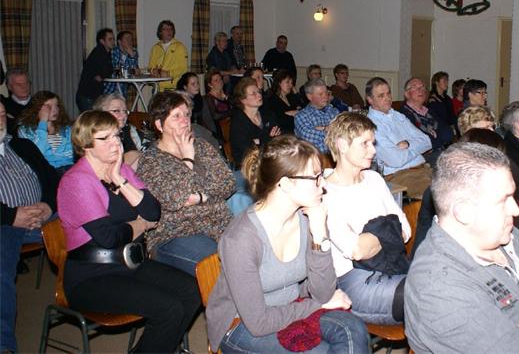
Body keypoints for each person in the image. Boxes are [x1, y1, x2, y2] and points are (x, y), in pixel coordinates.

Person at [404, 141, 519, 353]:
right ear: (464, 212)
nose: (515, 210)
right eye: (503, 200)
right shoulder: (439, 290)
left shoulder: (504, 236)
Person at [205, 135, 369, 353]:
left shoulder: (309, 218)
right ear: (284, 184)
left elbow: (323, 293)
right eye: (315, 177)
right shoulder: (240, 239)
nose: (323, 184)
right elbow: (258, 323)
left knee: (353, 330)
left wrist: (320, 235)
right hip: (240, 325)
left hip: (292, 307)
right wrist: (317, 305)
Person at [57, 110, 200, 353]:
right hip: (91, 276)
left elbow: (153, 212)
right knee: (169, 309)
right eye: (105, 138)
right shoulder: (77, 181)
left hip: (131, 264)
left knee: (191, 291)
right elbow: (108, 238)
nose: (116, 142)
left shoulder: (121, 170)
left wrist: (119, 180)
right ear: (86, 145)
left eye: (117, 135)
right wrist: (140, 225)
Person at [323, 112, 410, 325]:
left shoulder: (374, 179)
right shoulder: (325, 191)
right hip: (353, 281)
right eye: (365, 143)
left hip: (393, 266)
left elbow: (405, 230)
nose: (373, 150)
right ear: (342, 145)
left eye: (373, 143)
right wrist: (389, 228)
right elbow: (356, 250)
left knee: (447, 284)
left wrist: (373, 234)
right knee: (426, 294)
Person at [137, 91, 234, 276]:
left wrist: (199, 197)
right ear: (159, 125)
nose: (185, 120)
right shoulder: (151, 161)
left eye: (186, 115)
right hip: (176, 233)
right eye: (176, 116)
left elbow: (227, 183)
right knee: (220, 265)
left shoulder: (202, 146)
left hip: (219, 223)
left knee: (253, 250)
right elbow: (175, 199)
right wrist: (187, 159)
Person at [0, 101, 57, 353]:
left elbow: (54, 180)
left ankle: (100, 295)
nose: (0, 121)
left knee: (90, 221)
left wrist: (48, 205)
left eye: (2, 115)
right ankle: (4, 344)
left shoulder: (22, 145)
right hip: (5, 224)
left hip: (44, 216)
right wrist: (11, 215)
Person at [366, 77, 432, 199]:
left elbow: (427, 142)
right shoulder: (370, 125)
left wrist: (408, 144)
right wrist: (416, 148)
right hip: (401, 175)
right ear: (370, 100)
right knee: (443, 195)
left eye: (388, 93)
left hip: (424, 168)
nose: (387, 98)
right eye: (381, 96)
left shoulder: (397, 115)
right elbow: (396, 160)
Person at [400, 77, 453, 165]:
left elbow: (448, 133)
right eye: (415, 87)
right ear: (407, 94)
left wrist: (433, 140)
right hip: (420, 157)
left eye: (422, 87)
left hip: (439, 150)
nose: (420, 90)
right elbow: (421, 141)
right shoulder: (403, 115)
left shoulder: (429, 111)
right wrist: (436, 139)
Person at [17, 91, 74, 172]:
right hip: (43, 171)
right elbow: (36, 154)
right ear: (37, 109)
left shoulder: (66, 129)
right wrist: (43, 122)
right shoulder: (25, 130)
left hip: (67, 170)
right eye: (48, 106)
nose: (55, 110)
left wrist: (48, 156)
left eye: (57, 105)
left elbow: (69, 155)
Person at [230, 78, 281, 167]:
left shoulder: (267, 115)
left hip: (270, 159)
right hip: (248, 166)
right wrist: (269, 138)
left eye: (258, 92)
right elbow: (248, 151)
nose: (259, 95)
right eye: (253, 93)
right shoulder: (239, 122)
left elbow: (278, 137)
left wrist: (259, 141)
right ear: (243, 100)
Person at [93, 93, 146, 169]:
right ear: (101, 114)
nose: (124, 115)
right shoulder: (97, 136)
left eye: (125, 111)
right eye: (116, 111)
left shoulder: (128, 131)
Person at [294, 79, 339, 153]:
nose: (325, 97)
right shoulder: (301, 116)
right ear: (310, 97)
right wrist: (327, 129)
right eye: (320, 94)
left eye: (326, 93)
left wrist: (319, 129)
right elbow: (311, 146)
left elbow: (344, 134)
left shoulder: (334, 112)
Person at [76, 28, 115, 111]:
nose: (113, 42)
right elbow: (106, 72)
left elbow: (108, 71)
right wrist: (101, 75)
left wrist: (102, 75)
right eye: (110, 39)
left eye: (113, 39)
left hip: (90, 95)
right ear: (102, 41)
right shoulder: (99, 53)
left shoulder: (105, 53)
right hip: (88, 96)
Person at [148, 20, 188, 91]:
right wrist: (153, 71)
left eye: (171, 29)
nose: (169, 31)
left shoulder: (180, 47)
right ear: (160, 32)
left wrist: (169, 73)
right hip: (157, 87)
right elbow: (150, 67)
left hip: (173, 88)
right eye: (166, 29)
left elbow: (183, 69)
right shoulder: (155, 47)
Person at [265, 69, 303, 135]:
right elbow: (278, 119)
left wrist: (296, 94)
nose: (291, 85)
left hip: (296, 129)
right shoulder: (272, 99)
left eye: (291, 83)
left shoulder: (291, 97)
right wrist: (292, 113)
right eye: (287, 82)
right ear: (279, 83)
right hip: (283, 132)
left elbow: (303, 109)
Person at [104, 30, 139, 96]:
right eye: (127, 39)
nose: (130, 41)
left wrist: (131, 55)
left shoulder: (134, 51)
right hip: (110, 88)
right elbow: (116, 71)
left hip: (122, 89)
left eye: (131, 39)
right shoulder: (113, 51)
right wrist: (131, 71)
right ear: (119, 42)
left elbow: (135, 71)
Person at [1, 68, 32, 135]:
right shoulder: (3, 105)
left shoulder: (40, 104)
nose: (24, 87)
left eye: (26, 83)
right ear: (9, 87)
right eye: (18, 84)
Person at [204, 69, 232, 139]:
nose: (220, 82)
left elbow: (234, 108)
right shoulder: (208, 98)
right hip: (217, 131)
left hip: (229, 127)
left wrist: (226, 98)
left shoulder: (225, 95)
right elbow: (215, 116)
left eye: (220, 79)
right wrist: (230, 113)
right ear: (210, 84)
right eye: (216, 80)